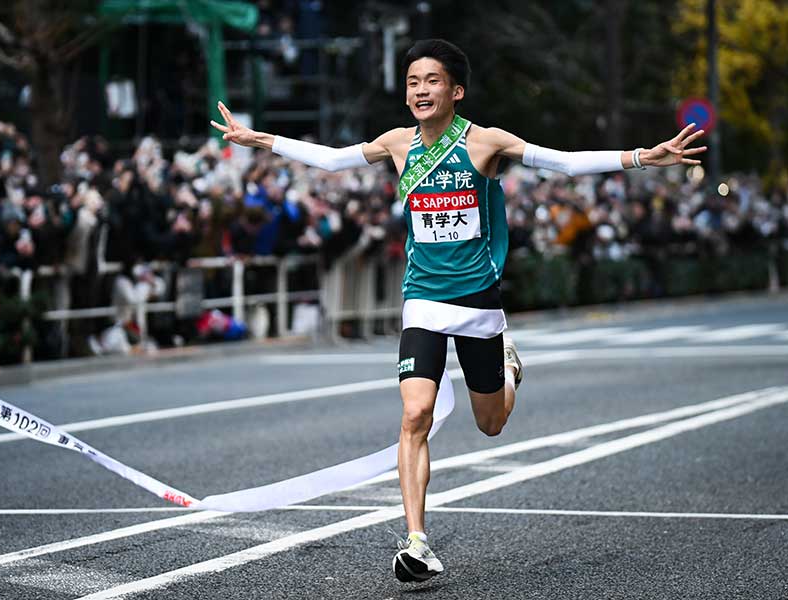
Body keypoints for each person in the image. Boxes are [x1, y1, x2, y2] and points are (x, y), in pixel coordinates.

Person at [212, 38, 706, 582]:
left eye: (432, 81)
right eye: (412, 82)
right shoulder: (398, 144)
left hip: (477, 303)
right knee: (415, 414)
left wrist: (642, 157)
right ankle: (417, 542)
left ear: (456, 91)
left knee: (490, 424)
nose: (421, 90)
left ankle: (509, 368)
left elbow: (561, 164)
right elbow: (331, 160)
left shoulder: (484, 143)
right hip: (422, 298)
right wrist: (255, 138)